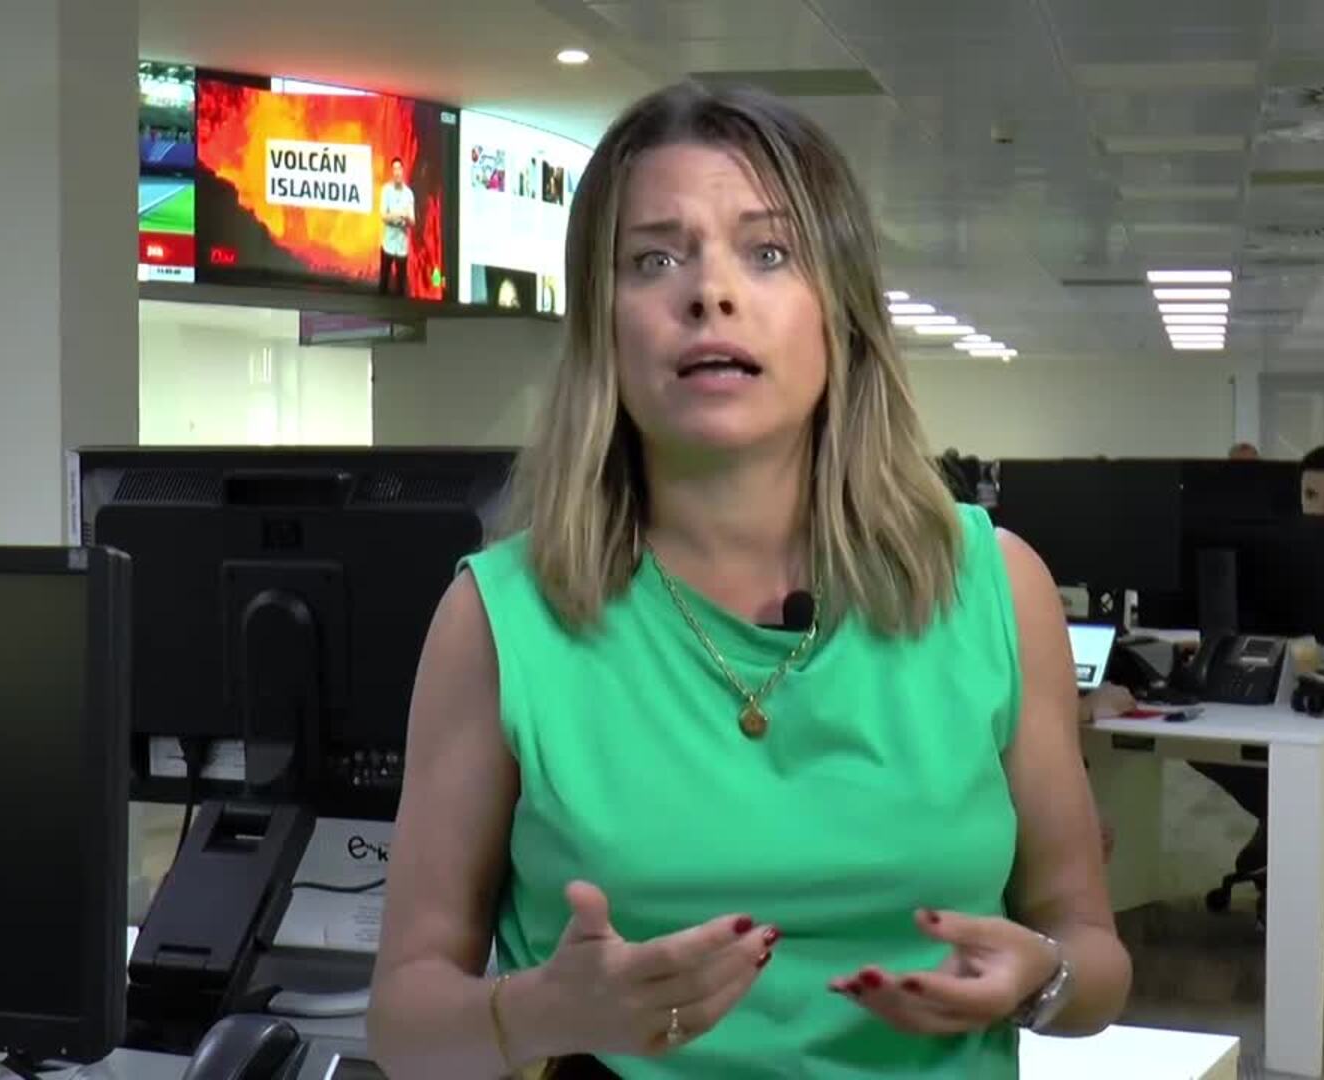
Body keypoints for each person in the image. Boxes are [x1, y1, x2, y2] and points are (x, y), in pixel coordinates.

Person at [367, 82, 1130, 1079]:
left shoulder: (995, 587)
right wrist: (537, 1013)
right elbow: (404, 1022)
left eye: (768, 253)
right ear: (603, 323)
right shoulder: (499, 617)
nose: (710, 294)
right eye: (654, 259)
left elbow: (1093, 955)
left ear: (840, 312)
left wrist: (1044, 978)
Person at [1193, 440, 1324, 870]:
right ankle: (1281, 824)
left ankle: (1284, 859)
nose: (1319, 508)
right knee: (1198, 737)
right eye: (1310, 495)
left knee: (1318, 762)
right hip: (1287, 690)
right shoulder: (1282, 547)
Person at [379, 156, 415, 295]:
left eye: (399, 168)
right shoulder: (386, 190)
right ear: (392, 172)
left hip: (401, 247)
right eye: (394, 169)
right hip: (387, 244)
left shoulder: (408, 194)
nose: (397, 172)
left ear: (402, 171)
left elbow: (412, 221)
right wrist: (400, 214)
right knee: (383, 283)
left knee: (400, 287)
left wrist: (404, 217)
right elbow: (383, 216)